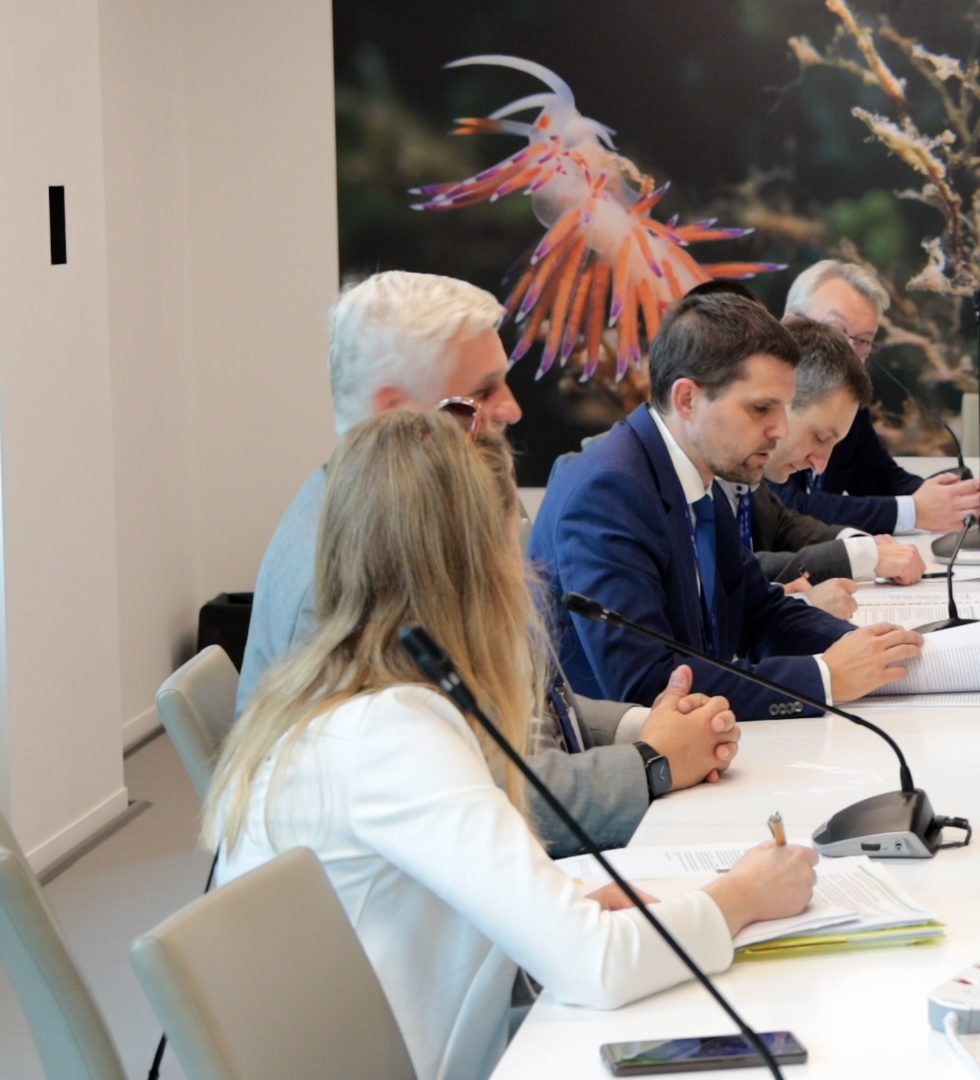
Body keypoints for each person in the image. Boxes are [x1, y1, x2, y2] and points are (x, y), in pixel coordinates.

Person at [205, 411, 820, 1080]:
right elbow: (596, 964)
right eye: (513, 547)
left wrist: (565, 907)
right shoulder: (390, 731)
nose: (526, 574)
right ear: (474, 572)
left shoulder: (340, 693)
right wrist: (743, 897)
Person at [240, 271, 735, 854]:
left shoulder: (412, 517)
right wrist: (655, 761)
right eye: (481, 393)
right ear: (393, 412)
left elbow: (529, 710)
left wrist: (647, 726)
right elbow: (496, 802)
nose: (512, 409)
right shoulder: (351, 580)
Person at [529, 291, 923, 717]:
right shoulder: (608, 490)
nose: (780, 430)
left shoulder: (700, 482)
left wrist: (876, 647)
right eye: (761, 408)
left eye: (784, 409)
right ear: (687, 399)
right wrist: (825, 677)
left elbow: (757, 611)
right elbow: (645, 683)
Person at [775, 259, 980, 534]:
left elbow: (878, 478)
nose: (849, 352)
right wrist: (914, 511)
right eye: (836, 332)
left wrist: (949, 499)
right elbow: (783, 511)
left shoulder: (849, 402)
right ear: (791, 327)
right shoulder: (762, 406)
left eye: (864, 341)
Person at [730, 317, 928, 597]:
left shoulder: (746, 469)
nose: (821, 464)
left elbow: (783, 524)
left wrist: (860, 544)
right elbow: (732, 571)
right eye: (821, 437)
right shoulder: (714, 469)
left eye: (866, 340)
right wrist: (859, 557)